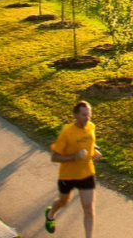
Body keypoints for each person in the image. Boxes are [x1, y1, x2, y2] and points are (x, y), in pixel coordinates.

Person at [44, 101, 101, 236]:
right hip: (68, 175)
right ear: (75, 115)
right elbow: (54, 157)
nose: (87, 118)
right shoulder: (67, 132)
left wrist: (94, 152)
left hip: (87, 174)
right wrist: (74, 157)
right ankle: (51, 214)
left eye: (88, 114)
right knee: (63, 201)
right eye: (83, 115)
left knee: (88, 209)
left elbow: (90, 144)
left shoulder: (91, 127)